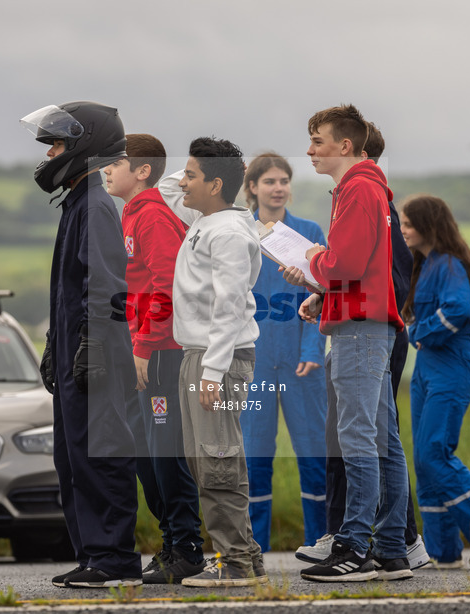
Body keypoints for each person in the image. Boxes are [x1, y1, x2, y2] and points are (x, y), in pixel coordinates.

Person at [285, 105, 411, 582]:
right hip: (366, 321)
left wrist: (316, 259)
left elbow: (347, 262)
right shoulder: (366, 186)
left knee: (357, 437)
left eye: (317, 140)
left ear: (344, 145)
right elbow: (361, 270)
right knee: (385, 440)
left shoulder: (357, 188)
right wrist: (324, 295)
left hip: (360, 331)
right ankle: (393, 547)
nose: (310, 150)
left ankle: (354, 546)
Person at [20, 101, 142, 588]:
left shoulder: (94, 205)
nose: (49, 153)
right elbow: (70, 290)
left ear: (84, 146)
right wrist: (57, 344)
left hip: (96, 358)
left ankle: (114, 559)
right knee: (73, 458)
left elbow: (107, 285)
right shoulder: (77, 202)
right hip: (76, 354)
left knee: (101, 454)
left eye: (57, 144)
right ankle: (94, 554)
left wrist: (91, 345)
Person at [104, 134, 205, 584]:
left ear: (143, 171)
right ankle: (170, 543)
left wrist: (143, 347)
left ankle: (187, 548)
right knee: (147, 457)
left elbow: (167, 288)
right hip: (146, 351)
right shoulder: (133, 213)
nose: (106, 169)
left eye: (116, 162)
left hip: (163, 355)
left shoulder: (153, 217)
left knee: (165, 455)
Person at [399, 193, 470, 568]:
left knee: (435, 452)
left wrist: (420, 332)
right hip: (427, 370)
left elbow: (458, 309)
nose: (402, 229)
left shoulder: (449, 264)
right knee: (424, 459)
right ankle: (443, 551)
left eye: (408, 223)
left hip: (451, 367)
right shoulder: (427, 263)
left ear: (429, 226)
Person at [171, 136, 267, 587]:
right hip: (203, 356)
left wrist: (212, 372)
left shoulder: (226, 232)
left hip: (217, 360)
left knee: (218, 461)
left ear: (214, 185)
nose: (183, 182)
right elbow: (171, 191)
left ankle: (236, 565)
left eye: (192, 175)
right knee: (206, 460)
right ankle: (245, 557)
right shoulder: (207, 217)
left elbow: (229, 305)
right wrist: (205, 165)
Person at [239, 152, 328, 553]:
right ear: (253, 187)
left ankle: (320, 541)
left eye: (284, 180)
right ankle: (252, 546)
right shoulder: (240, 233)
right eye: (270, 181)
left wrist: (313, 347)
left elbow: (324, 294)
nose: (278, 188)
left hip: (301, 363)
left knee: (314, 455)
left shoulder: (309, 232)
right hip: (253, 364)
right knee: (255, 458)